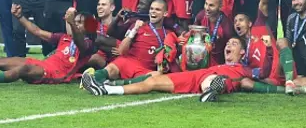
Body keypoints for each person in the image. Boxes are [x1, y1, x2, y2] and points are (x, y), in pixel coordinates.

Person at [82, 37, 269, 103]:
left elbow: (263, 74)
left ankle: (212, 90)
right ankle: (105, 89)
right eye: (228, 43)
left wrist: (268, 52)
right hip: (193, 75)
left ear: (242, 52)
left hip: (217, 78)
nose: (229, 45)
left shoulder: (244, 69)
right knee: (152, 81)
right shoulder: (216, 60)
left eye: (234, 44)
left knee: (214, 79)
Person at [0, 5, 93, 85]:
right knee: (1, 60)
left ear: (87, 26)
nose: (76, 24)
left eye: (80, 22)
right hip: (42, 64)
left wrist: (71, 24)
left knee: (24, 68)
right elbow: (37, 31)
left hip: (56, 74)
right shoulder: (64, 38)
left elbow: (80, 42)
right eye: (76, 21)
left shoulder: (88, 44)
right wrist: (20, 16)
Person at [83, 0, 170, 85]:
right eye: (151, 9)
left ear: (165, 13)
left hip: (145, 69)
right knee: (110, 69)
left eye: (157, 9)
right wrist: (134, 30)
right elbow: (121, 50)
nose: (153, 11)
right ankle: (91, 79)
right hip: (128, 61)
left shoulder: (168, 33)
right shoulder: (137, 26)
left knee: (157, 75)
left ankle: (115, 84)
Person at [191, 0, 234, 66]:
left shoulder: (226, 24)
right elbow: (193, 32)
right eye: (206, 4)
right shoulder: (201, 15)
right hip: (201, 56)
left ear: (220, 7)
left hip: (219, 60)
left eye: (211, 5)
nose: (207, 8)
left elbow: (230, 47)